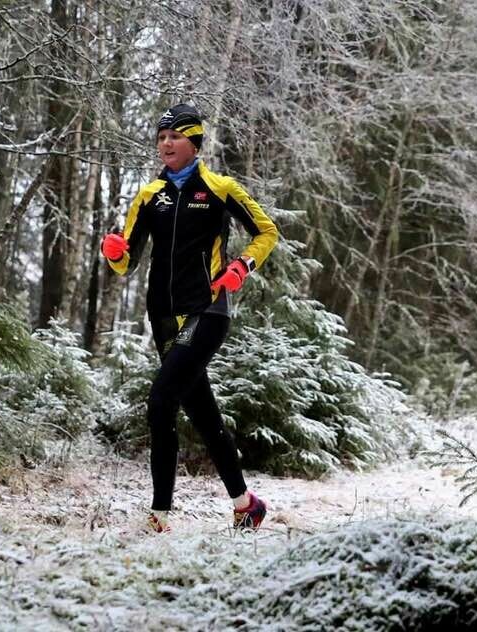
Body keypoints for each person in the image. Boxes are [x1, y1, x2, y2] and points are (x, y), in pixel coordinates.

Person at [100, 104, 279, 533]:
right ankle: (246, 504)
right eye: (161, 136)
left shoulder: (220, 188)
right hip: (163, 316)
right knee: (203, 413)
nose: (166, 143)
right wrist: (115, 254)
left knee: (161, 400)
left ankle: (159, 516)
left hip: (207, 309)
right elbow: (128, 261)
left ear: (195, 143)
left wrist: (241, 268)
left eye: (175, 136)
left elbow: (267, 232)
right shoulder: (149, 196)